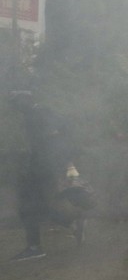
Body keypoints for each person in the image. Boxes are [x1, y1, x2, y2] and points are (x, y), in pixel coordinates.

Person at [9, 91, 84, 262]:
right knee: (36, 206)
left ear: (27, 100)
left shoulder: (39, 114)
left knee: (29, 207)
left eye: (17, 101)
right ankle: (72, 224)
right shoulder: (36, 114)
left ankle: (34, 247)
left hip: (43, 167)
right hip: (40, 167)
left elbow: (56, 139)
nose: (15, 105)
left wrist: (67, 163)